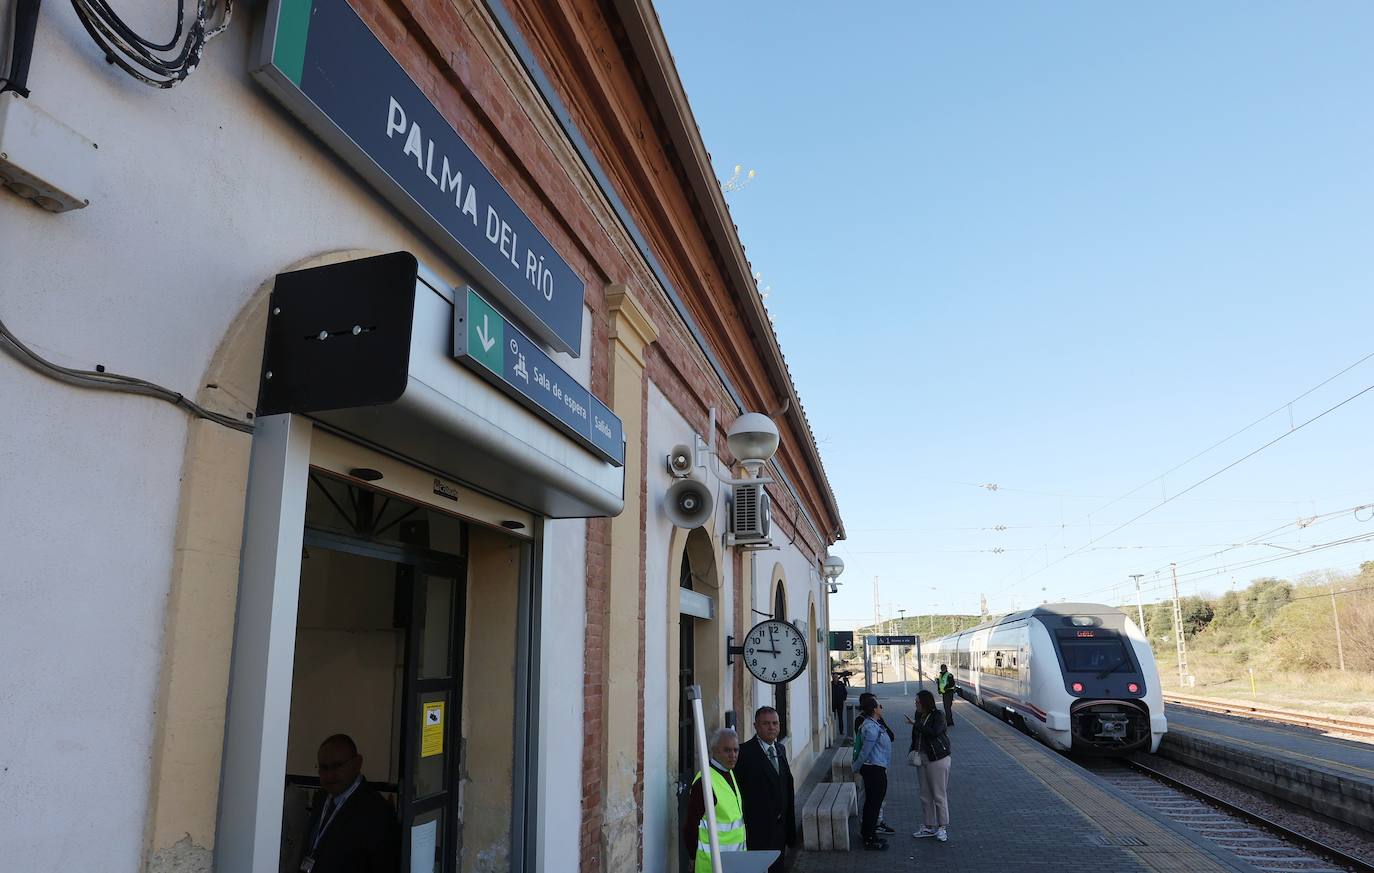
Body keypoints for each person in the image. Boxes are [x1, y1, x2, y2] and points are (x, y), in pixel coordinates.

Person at [300, 734, 399, 873]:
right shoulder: (321, 797)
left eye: (337, 766)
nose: (329, 775)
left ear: (357, 764)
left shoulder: (376, 811)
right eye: (323, 767)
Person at [735, 706, 796, 873]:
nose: (772, 727)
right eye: (766, 723)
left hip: (780, 832)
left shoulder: (780, 750)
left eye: (775, 723)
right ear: (756, 726)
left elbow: (786, 788)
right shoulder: (744, 753)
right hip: (756, 833)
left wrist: (790, 831)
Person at [682, 728, 748, 871]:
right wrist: (693, 858)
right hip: (711, 864)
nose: (733, 755)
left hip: (734, 861)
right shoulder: (704, 782)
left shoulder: (729, 772)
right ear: (715, 751)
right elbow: (690, 826)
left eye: (736, 750)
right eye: (727, 750)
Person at [909, 690, 952, 843]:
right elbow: (916, 736)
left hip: (938, 758)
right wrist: (912, 750)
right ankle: (929, 825)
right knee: (925, 794)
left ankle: (942, 828)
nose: (916, 704)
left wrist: (917, 725)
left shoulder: (938, 715)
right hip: (922, 758)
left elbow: (934, 732)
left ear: (925, 702)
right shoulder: (917, 715)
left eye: (918, 702)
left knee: (939, 794)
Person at [852, 692, 896, 836]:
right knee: (870, 800)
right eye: (879, 705)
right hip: (873, 767)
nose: (881, 707)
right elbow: (865, 750)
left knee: (875, 801)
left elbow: (891, 736)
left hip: (878, 766)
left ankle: (873, 826)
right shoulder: (869, 725)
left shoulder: (876, 722)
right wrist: (856, 766)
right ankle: (869, 829)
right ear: (873, 708)